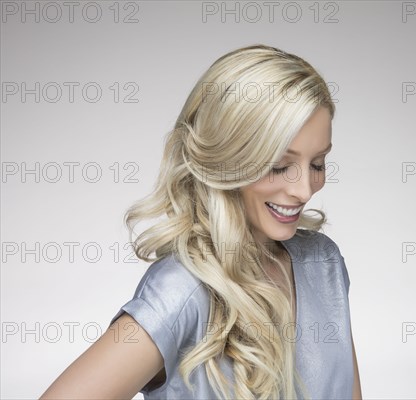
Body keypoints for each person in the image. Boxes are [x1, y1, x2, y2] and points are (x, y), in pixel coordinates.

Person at [40, 44, 362, 400]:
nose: (304, 189)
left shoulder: (323, 262)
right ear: (227, 159)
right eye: (278, 165)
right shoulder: (182, 290)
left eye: (317, 164)